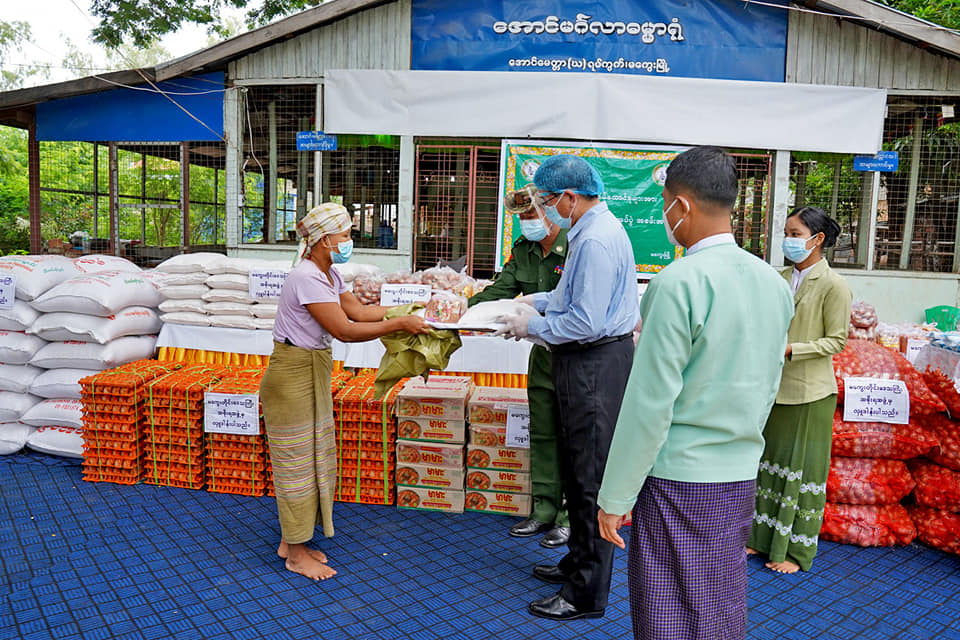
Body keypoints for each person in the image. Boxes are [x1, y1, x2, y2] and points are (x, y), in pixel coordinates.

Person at [596, 146, 794, 640]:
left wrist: (615, 494)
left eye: (665, 204)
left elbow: (648, 404)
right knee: (720, 597)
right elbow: (769, 382)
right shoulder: (774, 284)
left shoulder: (678, 283)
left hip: (679, 476)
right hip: (740, 472)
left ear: (680, 205)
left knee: (668, 607)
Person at [497, 154, 640, 621]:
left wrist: (532, 326)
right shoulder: (588, 233)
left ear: (570, 198)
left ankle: (585, 593)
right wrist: (532, 302)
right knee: (577, 468)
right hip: (584, 361)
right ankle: (577, 562)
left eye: (548, 201)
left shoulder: (596, 241)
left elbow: (584, 320)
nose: (546, 210)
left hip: (594, 363)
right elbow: (567, 299)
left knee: (588, 479)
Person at [259, 202, 428, 581]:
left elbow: (359, 313)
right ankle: (296, 553)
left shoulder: (329, 275)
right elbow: (345, 330)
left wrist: (413, 310)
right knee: (297, 463)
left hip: (312, 369)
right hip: (291, 375)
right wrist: (401, 322)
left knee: (316, 454)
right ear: (321, 241)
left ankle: (292, 540)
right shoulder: (306, 277)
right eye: (345, 236)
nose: (349, 242)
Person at [747, 206, 852, 574]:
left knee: (800, 471)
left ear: (817, 239)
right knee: (767, 465)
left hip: (811, 394)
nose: (788, 240)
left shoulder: (833, 285)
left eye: (795, 233)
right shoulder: (777, 277)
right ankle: (759, 540)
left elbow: (837, 341)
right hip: (772, 389)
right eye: (787, 233)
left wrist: (792, 350)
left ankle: (793, 552)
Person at [468, 185, 570, 549]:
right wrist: (464, 311)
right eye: (522, 218)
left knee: (572, 437)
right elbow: (502, 288)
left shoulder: (577, 246)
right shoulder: (524, 249)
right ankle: (543, 510)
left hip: (576, 356)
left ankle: (568, 517)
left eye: (531, 215)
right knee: (542, 432)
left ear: (551, 211)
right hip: (542, 354)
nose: (527, 223)